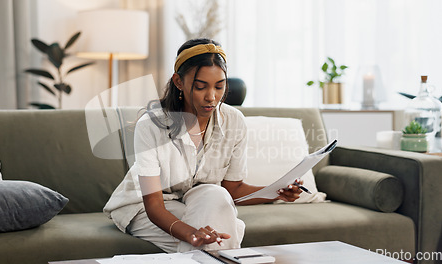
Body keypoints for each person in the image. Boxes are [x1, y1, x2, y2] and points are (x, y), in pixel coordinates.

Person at [103, 38, 302, 253]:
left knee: (216, 195)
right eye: (200, 87)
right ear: (179, 82)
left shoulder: (234, 121)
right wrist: (191, 233)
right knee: (223, 233)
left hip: (197, 200)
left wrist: (275, 193)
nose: (212, 97)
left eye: (220, 86)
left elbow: (231, 189)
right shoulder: (151, 126)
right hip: (144, 208)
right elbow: (154, 206)